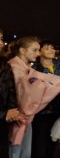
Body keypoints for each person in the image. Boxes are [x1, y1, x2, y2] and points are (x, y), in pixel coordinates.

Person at [31, 40, 60, 158]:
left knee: (52, 143)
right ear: (39, 51)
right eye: (47, 48)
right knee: (38, 145)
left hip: (57, 111)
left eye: (52, 48)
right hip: (40, 112)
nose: (51, 50)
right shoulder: (34, 68)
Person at [7, 37, 41, 158]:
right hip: (16, 118)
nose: (38, 53)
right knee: (16, 153)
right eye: (35, 50)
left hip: (26, 117)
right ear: (22, 50)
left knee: (25, 153)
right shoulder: (12, 67)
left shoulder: (27, 68)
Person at [0, 29, 21, 157]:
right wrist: (4, 113)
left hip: (3, 122)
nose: (1, 43)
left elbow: (11, 88)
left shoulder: (4, 64)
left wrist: (12, 109)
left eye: (1, 39)